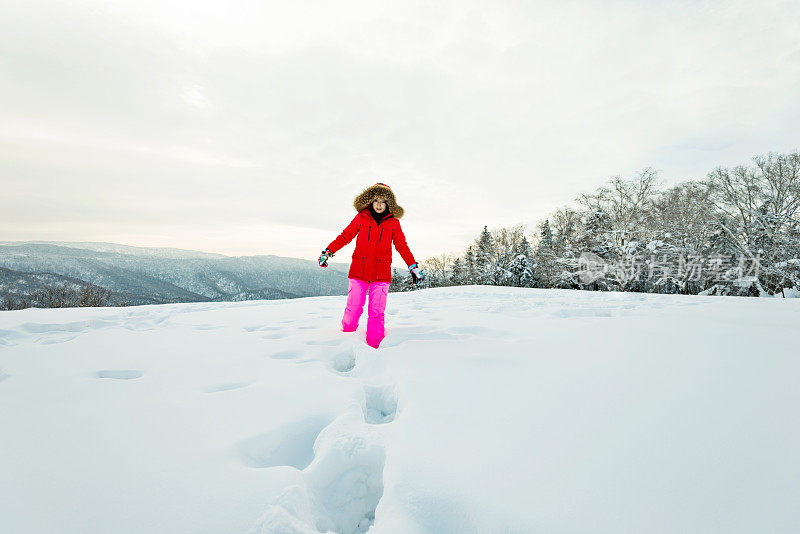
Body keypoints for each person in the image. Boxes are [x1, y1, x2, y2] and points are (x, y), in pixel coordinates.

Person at [318, 183, 424, 348]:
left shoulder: (393, 222)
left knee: (376, 312)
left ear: (389, 203)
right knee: (353, 308)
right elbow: (345, 236)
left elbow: (402, 245)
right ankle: (345, 340)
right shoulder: (361, 217)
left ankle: (375, 346)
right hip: (359, 270)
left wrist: (413, 266)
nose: (379, 204)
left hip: (381, 273)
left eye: (383, 201)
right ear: (370, 201)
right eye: (376, 200)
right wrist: (328, 251)